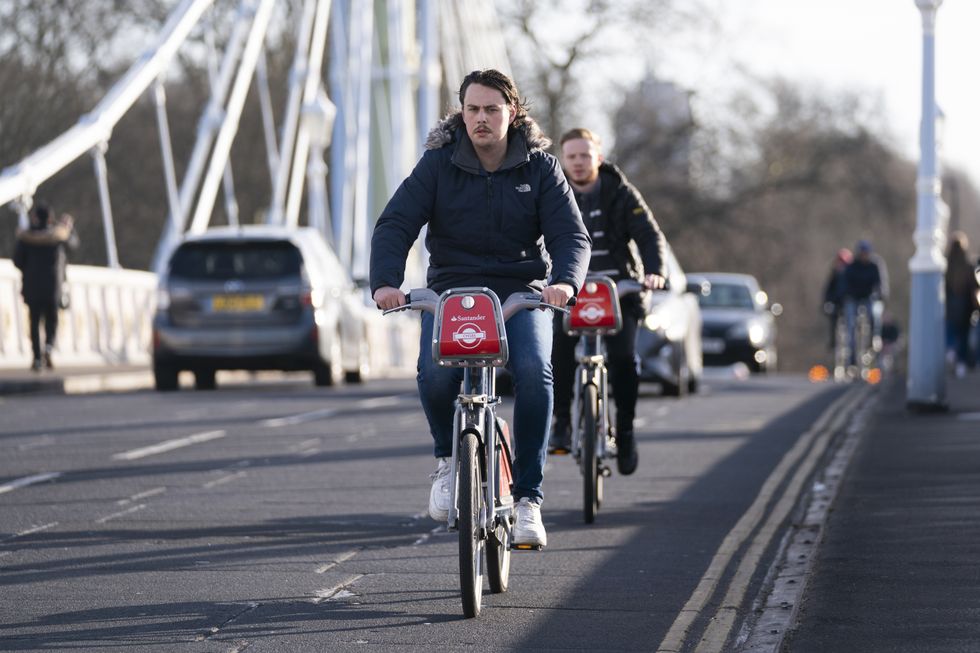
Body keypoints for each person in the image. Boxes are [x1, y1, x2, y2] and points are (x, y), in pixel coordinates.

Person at [370, 69, 591, 548]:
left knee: (535, 372)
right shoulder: (438, 165)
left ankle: (529, 497)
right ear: (461, 112)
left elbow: (570, 235)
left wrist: (564, 283)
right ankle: (448, 463)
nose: (482, 119)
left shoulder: (541, 168)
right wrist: (386, 283)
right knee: (434, 375)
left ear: (513, 112)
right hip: (452, 288)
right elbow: (395, 223)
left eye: (492, 109)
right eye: (473, 109)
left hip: (521, 289)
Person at [549, 127, 667, 476]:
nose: (579, 163)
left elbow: (649, 236)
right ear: (563, 160)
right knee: (557, 352)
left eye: (585, 155)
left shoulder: (621, 193)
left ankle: (627, 431)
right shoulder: (554, 193)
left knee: (623, 359)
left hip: (618, 291)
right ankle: (562, 422)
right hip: (568, 291)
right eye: (571, 157)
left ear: (598, 157)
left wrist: (654, 273)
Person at [13, 203, 78, 371]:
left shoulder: (26, 238)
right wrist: (69, 228)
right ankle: (48, 347)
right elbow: (73, 246)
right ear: (50, 219)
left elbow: (17, 261)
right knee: (52, 319)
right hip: (53, 286)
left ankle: (36, 358)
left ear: (35, 217)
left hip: (32, 286)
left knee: (34, 321)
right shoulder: (58, 236)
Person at [843, 239, 886, 366]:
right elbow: (845, 284)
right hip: (854, 298)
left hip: (869, 297)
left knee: (874, 314)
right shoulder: (851, 266)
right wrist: (846, 295)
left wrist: (880, 294)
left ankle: (874, 339)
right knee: (850, 323)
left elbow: (881, 283)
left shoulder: (875, 265)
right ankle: (851, 355)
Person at [944, 231, 978, 376]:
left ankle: (951, 351)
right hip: (965, 309)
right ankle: (961, 365)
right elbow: (974, 287)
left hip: (950, 307)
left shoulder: (946, 266)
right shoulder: (969, 266)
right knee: (963, 336)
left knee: (951, 332)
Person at [822, 248, 852, 351]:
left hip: (848, 302)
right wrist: (826, 303)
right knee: (833, 319)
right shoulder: (834, 275)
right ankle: (833, 342)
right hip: (836, 303)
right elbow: (828, 291)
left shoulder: (851, 275)